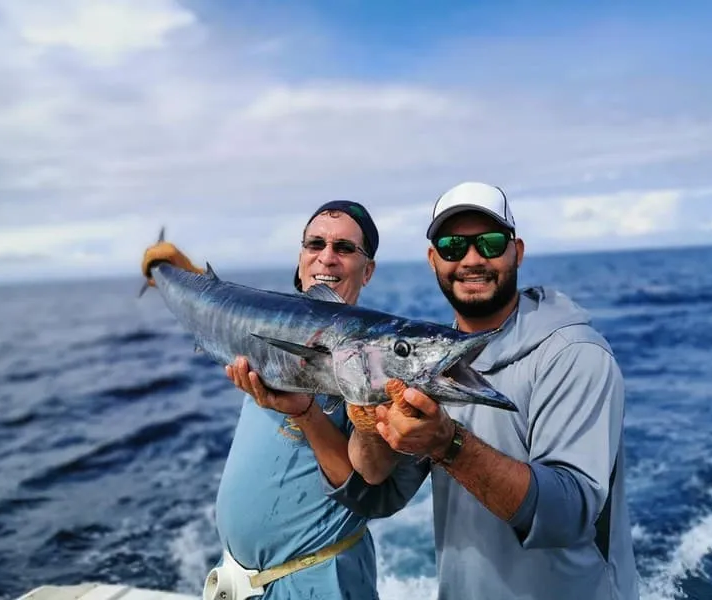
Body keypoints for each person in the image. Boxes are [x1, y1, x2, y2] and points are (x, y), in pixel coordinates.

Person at [331, 182, 640, 599]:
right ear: (433, 259)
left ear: (518, 251)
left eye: (491, 243)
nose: (472, 260)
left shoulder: (575, 355)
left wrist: (449, 444)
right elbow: (383, 495)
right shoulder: (425, 362)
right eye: (453, 246)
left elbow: (567, 514)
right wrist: (353, 419)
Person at [142, 200, 394, 599]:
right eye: (315, 244)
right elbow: (221, 307)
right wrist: (173, 273)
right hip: (244, 580)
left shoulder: (377, 361)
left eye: (345, 249)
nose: (327, 257)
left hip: (318, 580)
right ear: (300, 258)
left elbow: (370, 485)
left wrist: (308, 414)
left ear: (369, 270)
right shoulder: (269, 322)